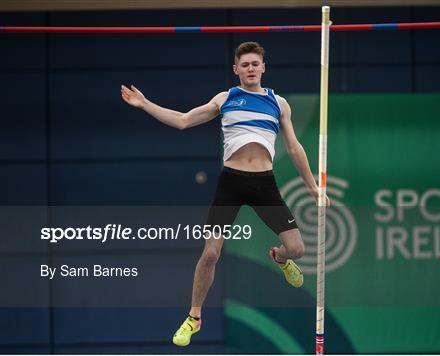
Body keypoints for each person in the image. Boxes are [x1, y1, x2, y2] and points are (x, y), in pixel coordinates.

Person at [121, 41, 328, 347]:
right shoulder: (226, 98)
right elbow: (183, 120)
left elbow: (294, 147)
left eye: (255, 64)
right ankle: (194, 317)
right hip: (231, 183)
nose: (250, 69)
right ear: (236, 70)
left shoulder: (279, 103)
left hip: (264, 184)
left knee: (297, 250)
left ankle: (279, 258)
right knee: (211, 253)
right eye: (244, 65)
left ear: (263, 67)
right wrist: (145, 103)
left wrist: (313, 188)